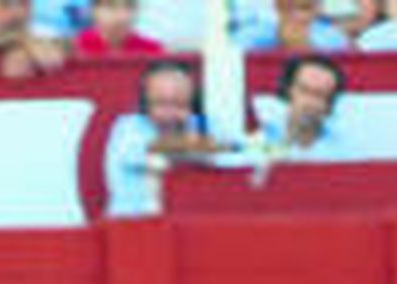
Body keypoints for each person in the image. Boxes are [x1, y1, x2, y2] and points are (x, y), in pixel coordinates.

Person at [104, 57, 221, 217]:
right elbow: (151, 151)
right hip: (130, 224)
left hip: (188, 224)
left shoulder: (204, 124)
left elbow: (240, 153)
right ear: (145, 103)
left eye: (180, 104)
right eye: (161, 104)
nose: (170, 113)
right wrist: (200, 150)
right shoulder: (128, 128)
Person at [249, 52, 350, 160]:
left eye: (319, 94)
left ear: (330, 103)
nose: (309, 102)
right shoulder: (260, 130)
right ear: (288, 90)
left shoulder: (342, 149)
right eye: (304, 90)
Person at [237, 0, 350, 49]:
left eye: (304, 8)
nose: (296, 15)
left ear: (317, 8)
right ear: (277, 6)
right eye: (288, 8)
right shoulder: (251, 34)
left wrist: (305, 47)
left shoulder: (333, 37)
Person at [73, 0, 162, 54]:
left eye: (128, 6)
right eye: (111, 7)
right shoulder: (77, 47)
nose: (122, 16)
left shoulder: (152, 51)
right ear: (94, 11)